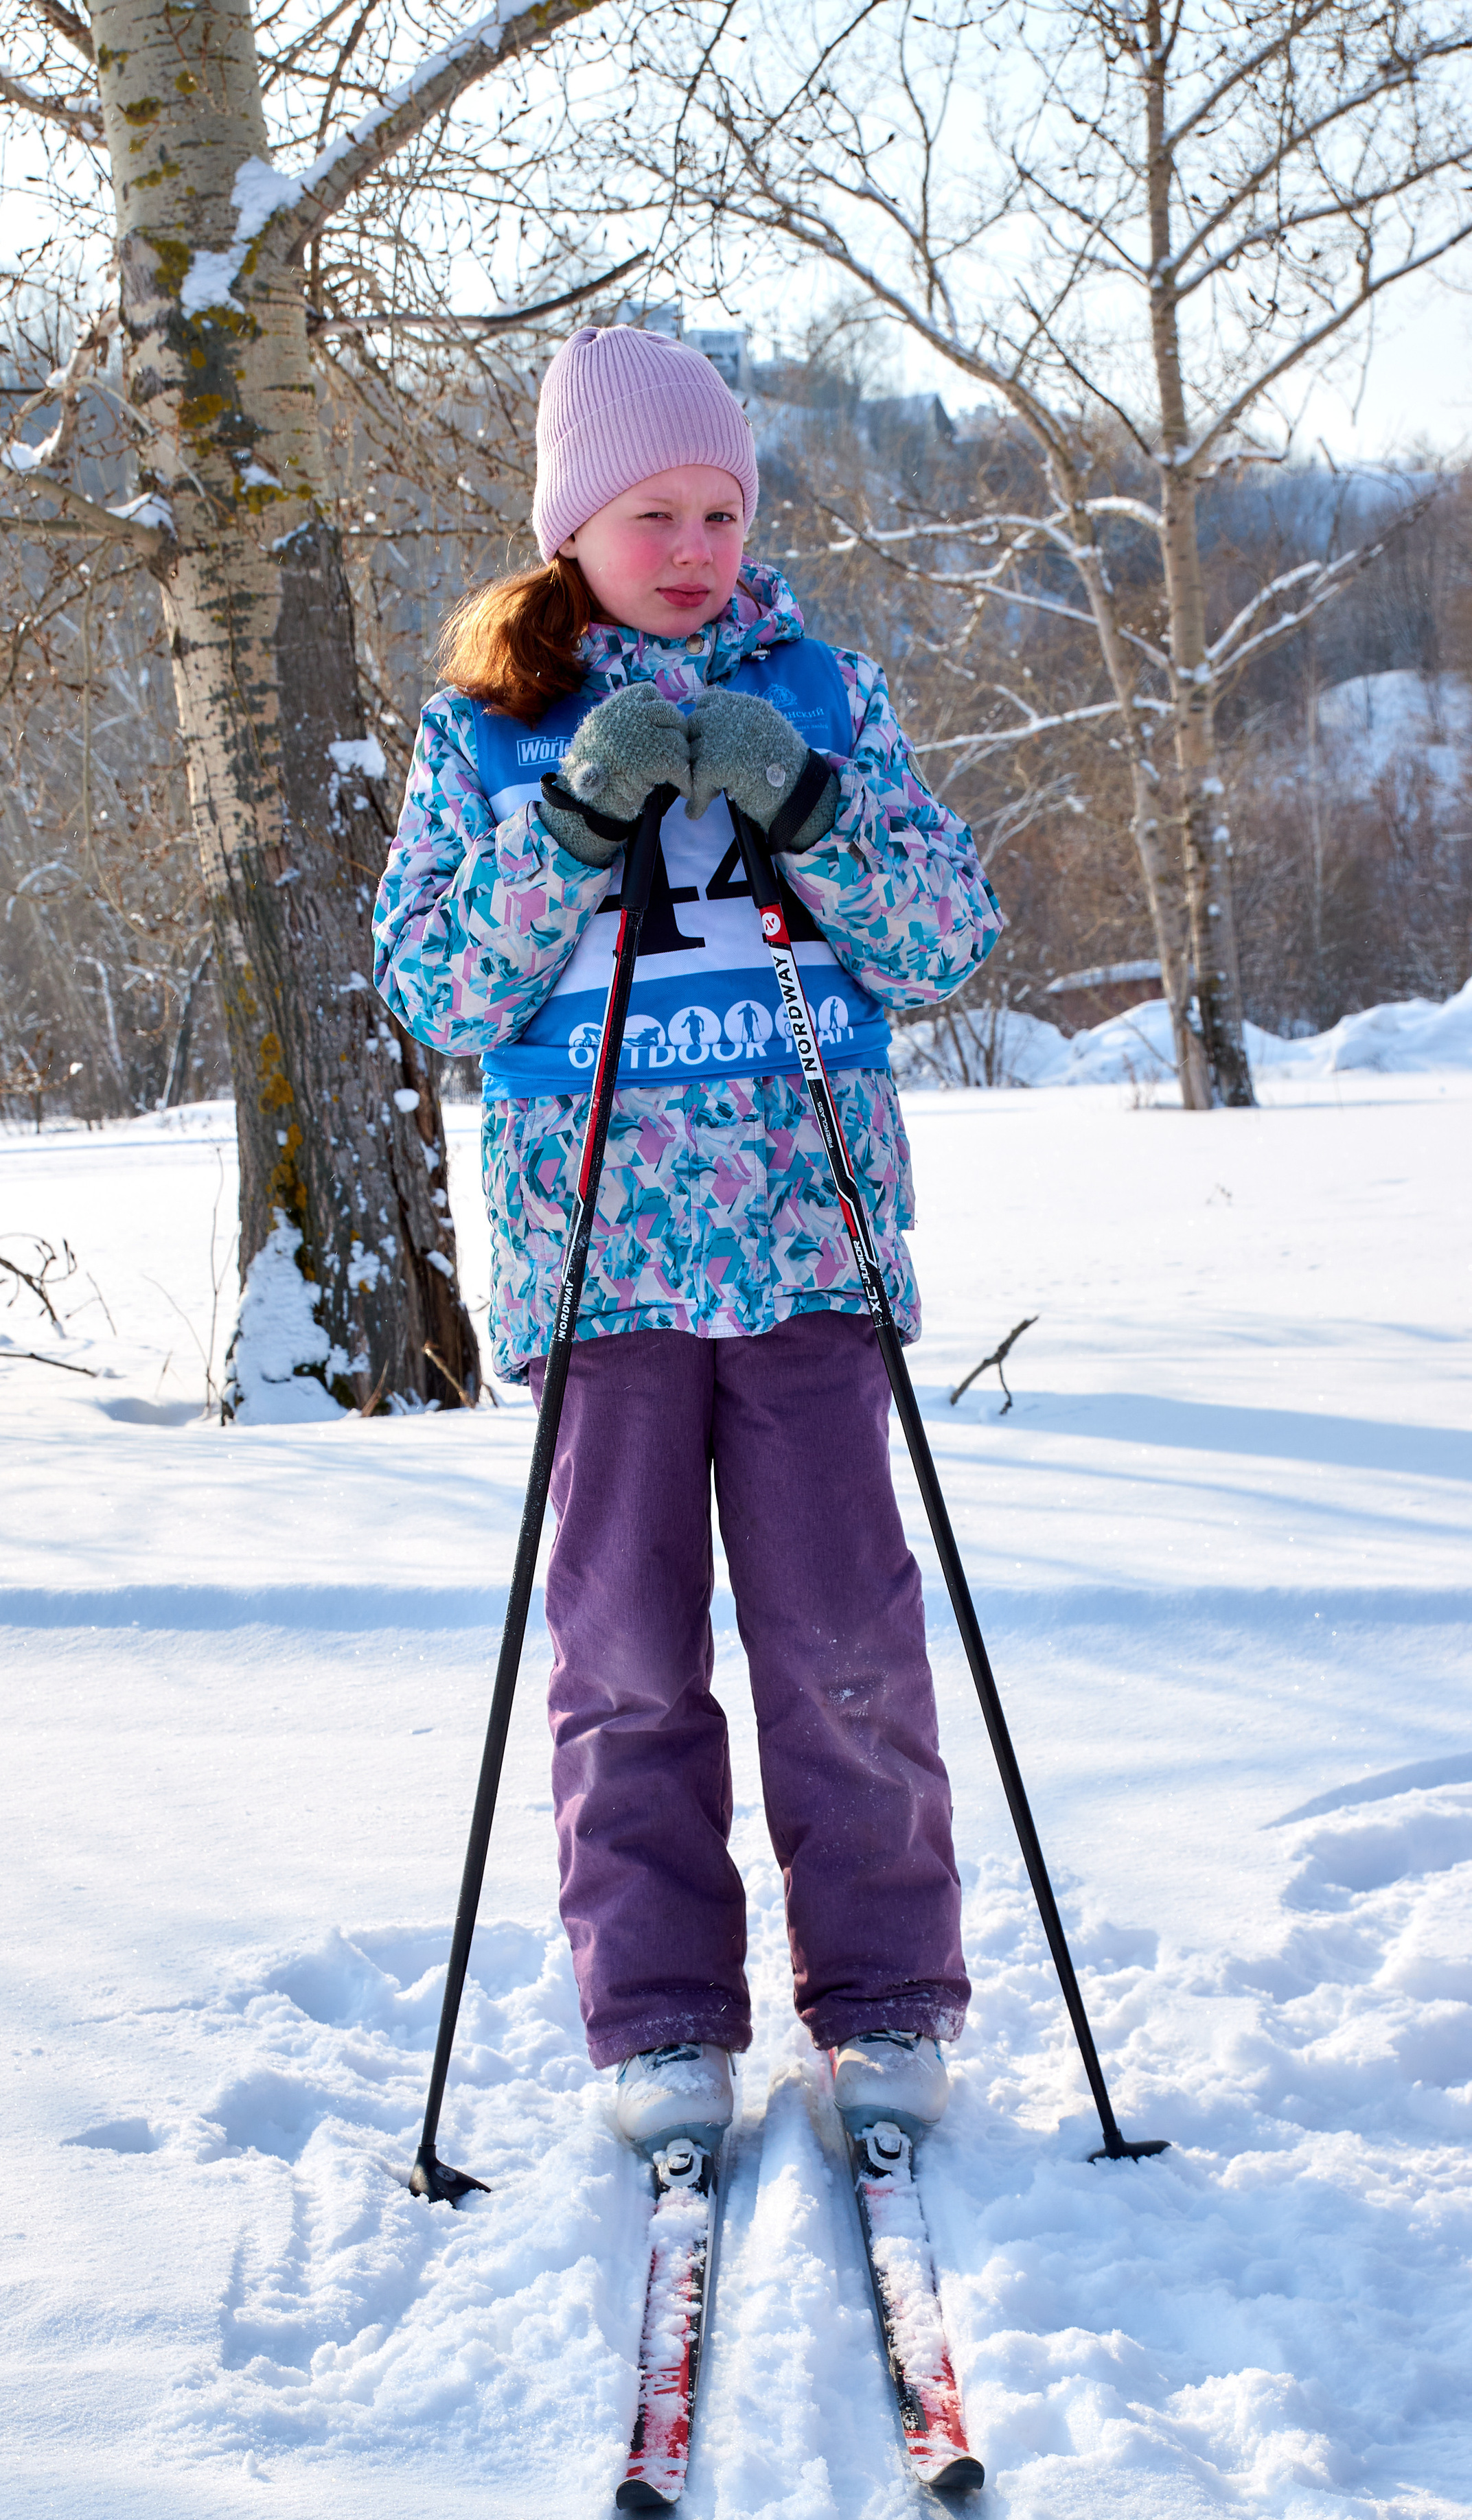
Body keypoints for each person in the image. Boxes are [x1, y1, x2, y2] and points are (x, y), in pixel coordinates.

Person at [373, 325, 1002, 2156]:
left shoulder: (822, 687)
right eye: (654, 510)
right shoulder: (485, 727)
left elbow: (948, 941)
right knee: (628, 1663)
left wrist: (801, 797)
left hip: (807, 1250)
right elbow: (434, 988)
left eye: (722, 506)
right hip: (601, 1267)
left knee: (845, 1647)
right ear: (573, 529)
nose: (696, 541)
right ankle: (657, 2025)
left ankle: (884, 2004)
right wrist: (568, 824)